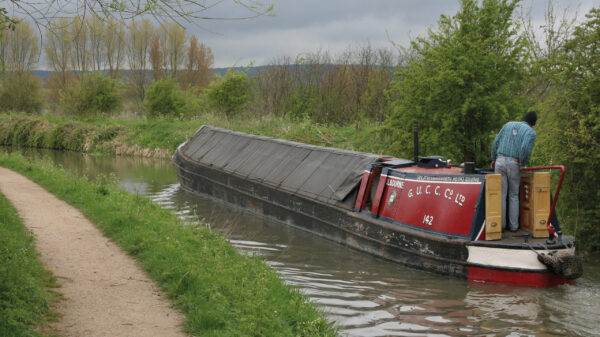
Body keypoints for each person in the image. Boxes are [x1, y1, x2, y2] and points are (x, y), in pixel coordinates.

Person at [490, 111, 537, 232]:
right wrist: (522, 163)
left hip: (499, 161)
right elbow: (524, 148)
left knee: (501, 194)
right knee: (513, 195)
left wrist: (493, 159)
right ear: (533, 124)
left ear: (523, 118)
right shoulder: (530, 132)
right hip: (514, 163)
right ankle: (514, 226)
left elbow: (495, 143)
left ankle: (500, 226)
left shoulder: (508, 124)